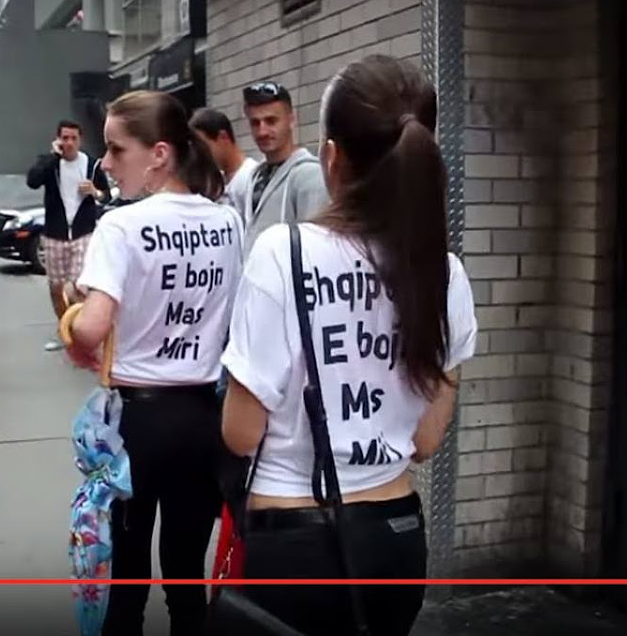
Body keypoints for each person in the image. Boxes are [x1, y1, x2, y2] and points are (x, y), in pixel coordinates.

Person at [219, 55, 478, 635]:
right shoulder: (444, 273)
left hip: (295, 544)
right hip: (395, 541)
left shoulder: (280, 254)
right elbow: (426, 439)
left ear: (331, 158)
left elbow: (241, 434)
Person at [62, 91, 241, 636]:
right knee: (186, 575)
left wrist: (71, 326)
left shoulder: (122, 226)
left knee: (128, 577)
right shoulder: (228, 222)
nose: (107, 164)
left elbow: (92, 327)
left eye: (116, 150)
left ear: (159, 153)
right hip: (203, 419)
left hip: (138, 425)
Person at [27, 119, 111, 352]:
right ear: (58, 139)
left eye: (73, 138)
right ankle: (63, 328)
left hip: (82, 233)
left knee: (77, 287)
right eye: (65, 138)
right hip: (55, 234)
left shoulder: (92, 165)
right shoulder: (50, 164)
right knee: (56, 287)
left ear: (80, 139)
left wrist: (94, 191)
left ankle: (81, 331)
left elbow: (106, 196)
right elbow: (32, 181)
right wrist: (52, 156)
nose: (69, 143)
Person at [238, 80, 329, 258]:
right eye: (255, 123)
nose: (262, 131)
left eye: (271, 121)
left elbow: (316, 249)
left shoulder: (309, 176)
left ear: (291, 120)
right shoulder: (255, 176)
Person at [189, 108, 259, 217]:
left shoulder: (251, 177)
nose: (201, 154)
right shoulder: (217, 182)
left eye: (204, 146)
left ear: (223, 137)